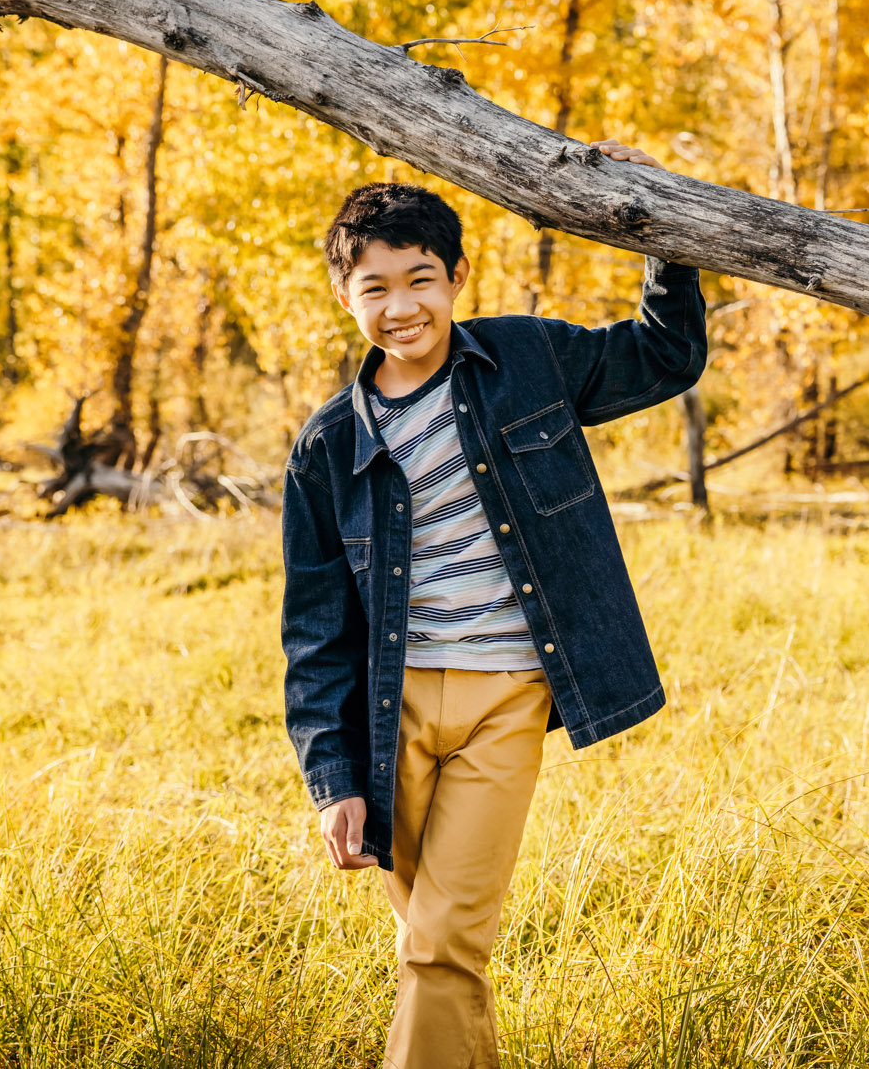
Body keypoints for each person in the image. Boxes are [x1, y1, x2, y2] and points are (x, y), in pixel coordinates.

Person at [279, 142, 706, 1069]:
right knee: (439, 960)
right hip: (388, 712)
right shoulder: (325, 448)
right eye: (375, 288)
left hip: (506, 694)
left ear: (458, 276)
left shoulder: (527, 359)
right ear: (343, 298)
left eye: (421, 279)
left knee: (440, 946)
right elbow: (315, 629)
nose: (402, 308)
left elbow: (666, 356)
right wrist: (332, 778)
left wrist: (661, 225)